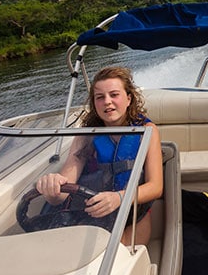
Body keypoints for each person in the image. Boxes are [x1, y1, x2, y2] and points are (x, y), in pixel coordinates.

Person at [35, 66, 163, 245]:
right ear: (94, 103)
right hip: (93, 210)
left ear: (128, 98)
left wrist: (119, 198)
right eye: (100, 97)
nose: (107, 102)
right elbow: (64, 188)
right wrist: (52, 188)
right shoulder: (86, 135)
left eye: (114, 95)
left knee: (118, 254)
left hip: (133, 208)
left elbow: (156, 186)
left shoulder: (147, 131)